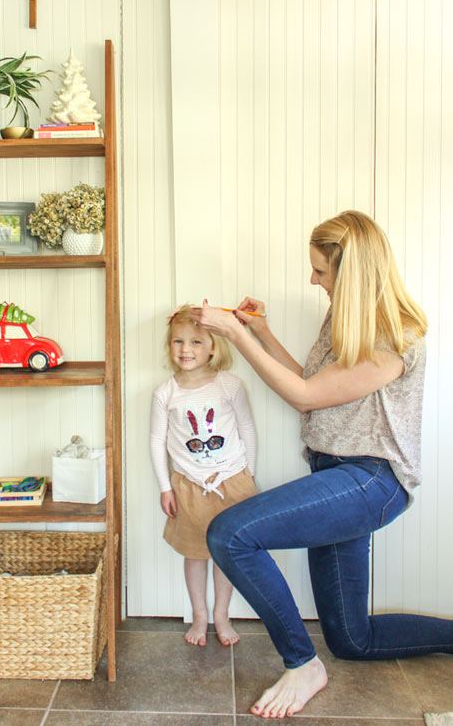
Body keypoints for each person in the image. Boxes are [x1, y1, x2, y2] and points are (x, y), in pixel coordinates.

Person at [193, 210, 453, 718]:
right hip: (334, 475)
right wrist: (261, 331)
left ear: (351, 272)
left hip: (370, 481)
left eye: (322, 270)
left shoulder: (395, 337)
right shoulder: (342, 318)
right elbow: (313, 384)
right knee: (354, 639)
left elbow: (305, 396)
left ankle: (302, 664)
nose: (313, 279)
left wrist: (234, 335)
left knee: (230, 534)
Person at [150, 304, 258, 647]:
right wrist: (165, 486)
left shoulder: (230, 385)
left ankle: (222, 616)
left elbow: (247, 429)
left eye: (196, 342)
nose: (185, 350)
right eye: (178, 342)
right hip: (189, 486)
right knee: (195, 554)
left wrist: (249, 476)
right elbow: (157, 441)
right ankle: (200, 616)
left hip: (231, 481)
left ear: (213, 347)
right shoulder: (165, 393)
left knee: (225, 554)